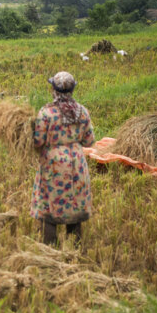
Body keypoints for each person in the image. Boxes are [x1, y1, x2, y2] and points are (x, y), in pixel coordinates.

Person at [31, 71, 95, 245]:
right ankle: (75, 249)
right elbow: (89, 141)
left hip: (53, 165)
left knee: (49, 210)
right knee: (74, 207)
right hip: (77, 164)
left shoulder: (46, 113)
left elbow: (38, 141)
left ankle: (50, 249)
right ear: (72, 90)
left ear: (54, 91)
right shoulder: (82, 112)